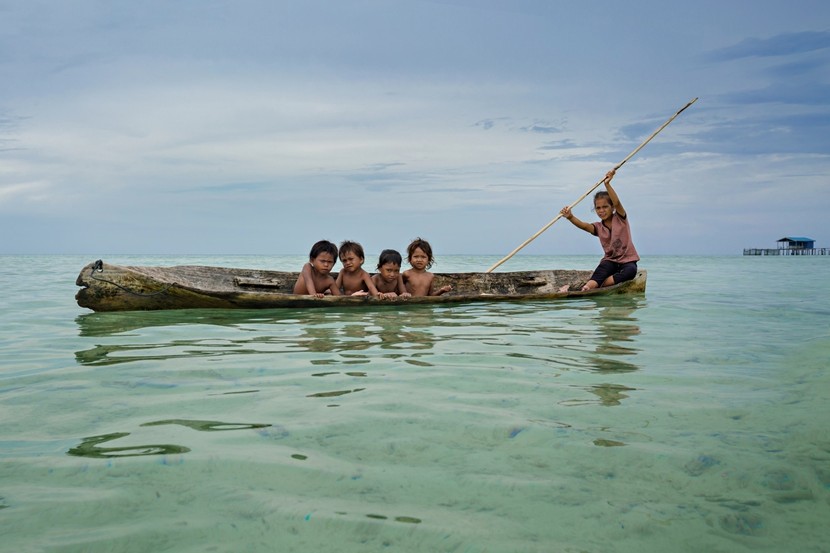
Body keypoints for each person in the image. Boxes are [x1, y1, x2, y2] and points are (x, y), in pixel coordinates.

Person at [560, 169, 639, 292]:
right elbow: (584, 226)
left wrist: (607, 184)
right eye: (598, 208)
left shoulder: (620, 218)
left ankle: (601, 285)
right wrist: (570, 217)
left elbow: (617, 202)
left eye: (605, 207)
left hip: (627, 261)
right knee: (602, 269)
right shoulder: (598, 227)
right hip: (610, 261)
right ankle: (587, 287)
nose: (601, 210)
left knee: (631, 271)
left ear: (612, 208)